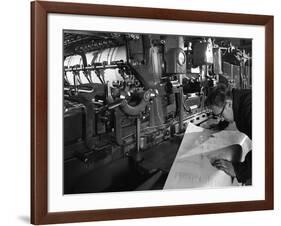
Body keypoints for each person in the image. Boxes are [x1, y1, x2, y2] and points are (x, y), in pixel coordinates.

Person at [205, 84, 252, 185]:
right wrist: (219, 126)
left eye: (220, 115)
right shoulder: (238, 100)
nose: (221, 118)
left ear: (229, 104)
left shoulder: (250, 110)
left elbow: (268, 146)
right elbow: (230, 114)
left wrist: (238, 170)